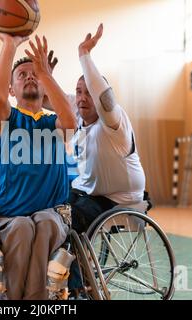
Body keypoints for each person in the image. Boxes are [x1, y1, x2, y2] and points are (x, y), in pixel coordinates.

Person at [0, 30, 77, 300]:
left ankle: (35, 301)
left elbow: (70, 122)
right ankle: (9, 300)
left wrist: (46, 74)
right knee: (23, 227)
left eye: (33, 73)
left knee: (46, 222)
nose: (29, 76)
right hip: (8, 216)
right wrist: (10, 45)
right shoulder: (6, 119)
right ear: (11, 89)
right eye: (22, 75)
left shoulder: (53, 123)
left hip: (51, 212)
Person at [64, 24, 147, 297]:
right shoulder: (78, 117)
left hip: (119, 198)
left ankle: (78, 289)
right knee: (48, 207)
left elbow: (103, 98)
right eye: (79, 92)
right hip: (90, 191)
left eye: (88, 91)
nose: (82, 97)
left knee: (70, 221)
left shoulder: (114, 121)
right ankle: (59, 276)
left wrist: (84, 55)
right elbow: (56, 101)